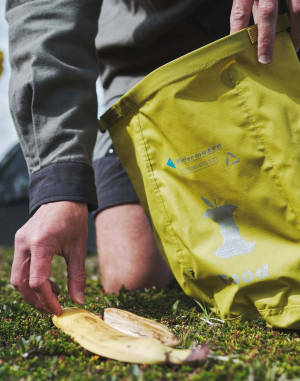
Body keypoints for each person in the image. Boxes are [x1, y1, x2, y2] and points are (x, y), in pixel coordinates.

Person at [6, 0, 300, 316]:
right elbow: (45, 12)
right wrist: (58, 187)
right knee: (132, 276)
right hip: (151, 64)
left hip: (277, 35)